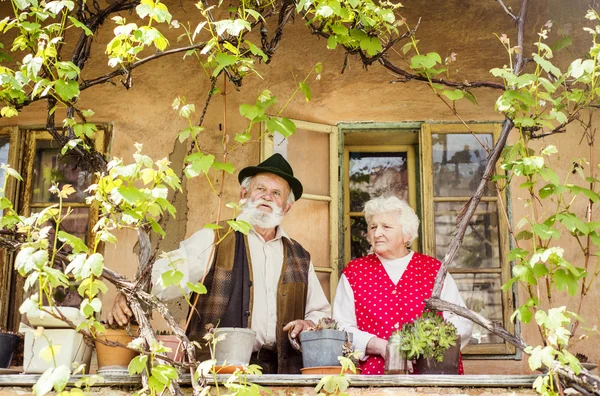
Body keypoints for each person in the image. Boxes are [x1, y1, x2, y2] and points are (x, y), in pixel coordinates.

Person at [108, 153, 331, 374]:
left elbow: (320, 312)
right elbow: (172, 273)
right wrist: (133, 292)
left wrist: (309, 324)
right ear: (244, 194)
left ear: (286, 207)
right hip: (219, 373)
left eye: (276, 193)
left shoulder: (299, 256)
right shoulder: (216, 237)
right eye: (260, 189)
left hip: (283, 375)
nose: (267, 197)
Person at [333, 196, 472, 375]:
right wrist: (380, 346)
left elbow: (461, 321)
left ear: (407, 234)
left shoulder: (434, 270)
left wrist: (428, 343)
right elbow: (341, 328)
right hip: (372, 381)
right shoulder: (355, 272)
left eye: (386, 227)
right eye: (373, 227)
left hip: (432, 378)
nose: (377, 234)